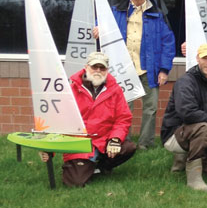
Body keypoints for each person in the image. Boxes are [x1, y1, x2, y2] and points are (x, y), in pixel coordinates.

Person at [40, 52, 135, 187]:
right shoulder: (70, 90)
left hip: (103, 141)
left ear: (107, 70)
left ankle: (101, 166)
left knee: (128, 148)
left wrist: (115, 139)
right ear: (86, 67)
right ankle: (85, 165)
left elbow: (123, 118)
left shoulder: (115, 90)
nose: (98, 71)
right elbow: (59, 120)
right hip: (79, 144)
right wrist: (50, 150)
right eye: (94, 67)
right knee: (75, 183)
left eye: (102, 68)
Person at [110, 0, 175, 149]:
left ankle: (145, 144)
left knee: (151, 108)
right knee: (124, 109)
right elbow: (103, 22)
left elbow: (168, 43)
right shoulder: (117, 10)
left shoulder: (157, 14)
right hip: (125, 69)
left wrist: (164, 69)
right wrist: (97, 26)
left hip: (150, 69)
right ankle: (124, 142)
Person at [161, 44, 207, 191]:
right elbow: (187, 113)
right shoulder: (185, 82)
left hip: (198, 133)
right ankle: (194, 179)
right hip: (175, 135)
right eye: (205, 58)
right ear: (197, 59)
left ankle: (188, 157)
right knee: (206, 129)